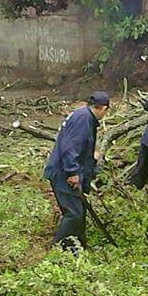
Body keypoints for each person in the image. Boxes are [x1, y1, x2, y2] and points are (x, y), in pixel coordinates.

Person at [43, 91, 110, 251]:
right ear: (103, 109)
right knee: (74, 214)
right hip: (63, 173)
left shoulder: (84, 116)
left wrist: (90, 156)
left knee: (80, 211)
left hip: (67, 170)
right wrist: (72, 172)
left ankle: (78, 247)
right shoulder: (83, 119)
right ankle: (57, 249)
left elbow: (78, 143)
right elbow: (70, 147)